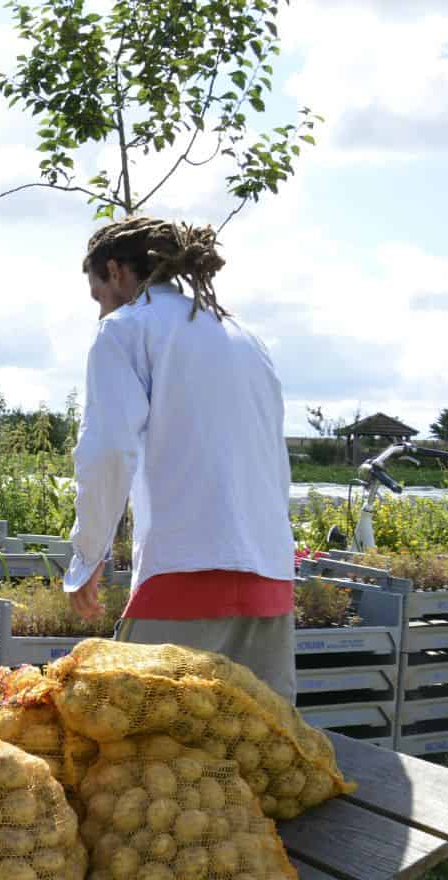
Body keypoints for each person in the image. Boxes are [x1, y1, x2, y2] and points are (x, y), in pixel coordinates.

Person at [63, 217, 298, 702]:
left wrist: (87, 556)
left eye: (97, 293)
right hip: (270, 578)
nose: (100, 308)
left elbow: (107, 449)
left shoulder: (124, 330)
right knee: (265, 752)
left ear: (116, 271)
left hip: (183, 575)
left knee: (141, 747)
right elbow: (275, 461)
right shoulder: (245, 337)